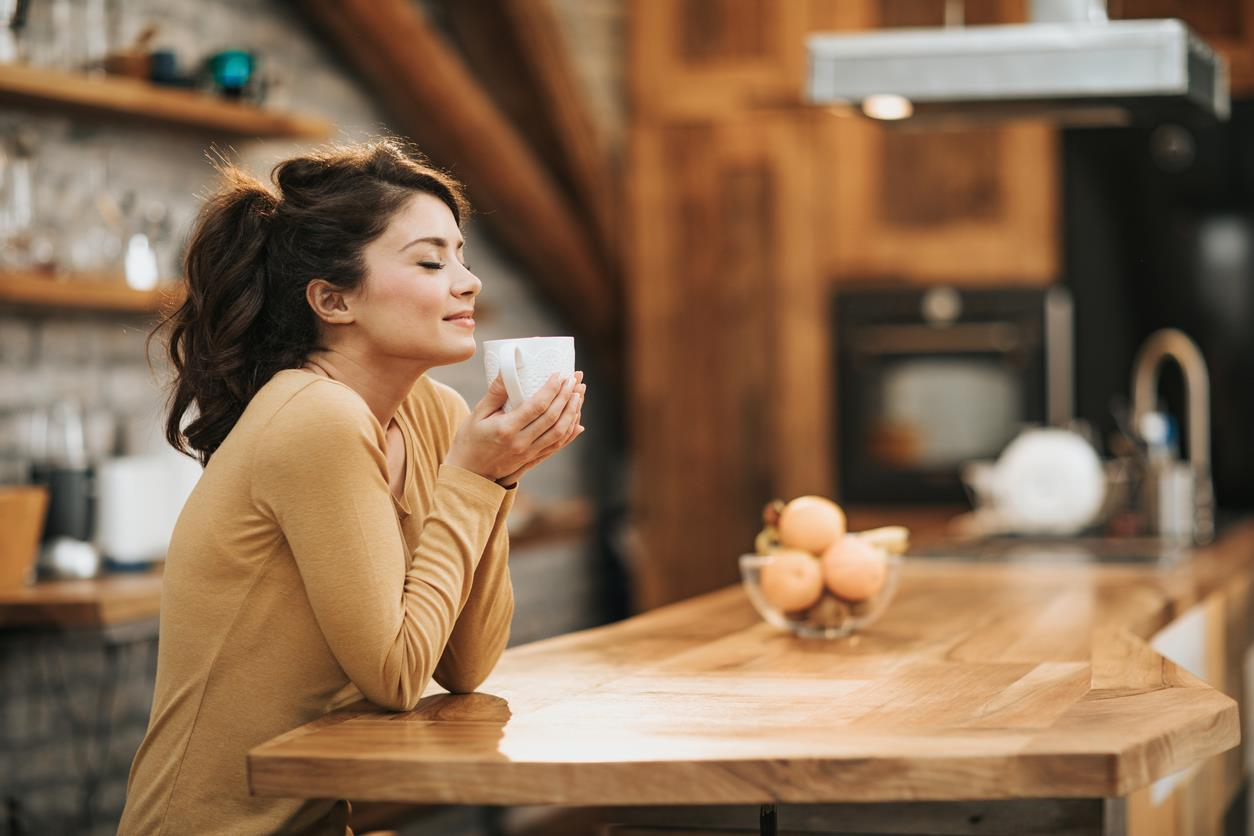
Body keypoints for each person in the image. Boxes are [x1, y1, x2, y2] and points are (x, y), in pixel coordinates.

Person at [118, 140, 585, 834]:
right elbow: (397, 678)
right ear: (332, 300)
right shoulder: (316, 417)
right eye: (431, 261)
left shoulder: (435, 416)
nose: (467, 280)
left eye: (461, 255)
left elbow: (465, 664)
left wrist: (500, 474)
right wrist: (474, 478)